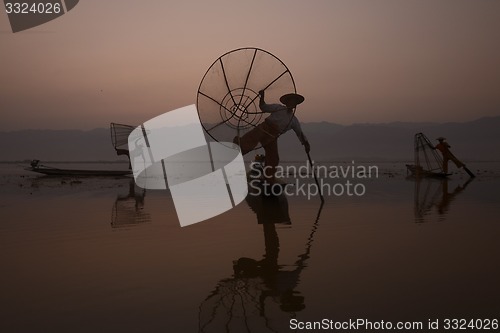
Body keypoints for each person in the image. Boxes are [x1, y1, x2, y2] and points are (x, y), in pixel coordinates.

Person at [233, 90, 310, 183]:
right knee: (248, 144)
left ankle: (268, 179)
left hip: (272, 136)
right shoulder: (278, 107)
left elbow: (300, 133)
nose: (292, 103)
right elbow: (264, 107)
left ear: (295, 104)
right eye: (290, 101)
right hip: (264, 128)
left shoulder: (293, 120)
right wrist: (262, 96)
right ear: (286, 102)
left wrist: (305, 143)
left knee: (273, 159)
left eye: (294, 102)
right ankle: (237, 146)